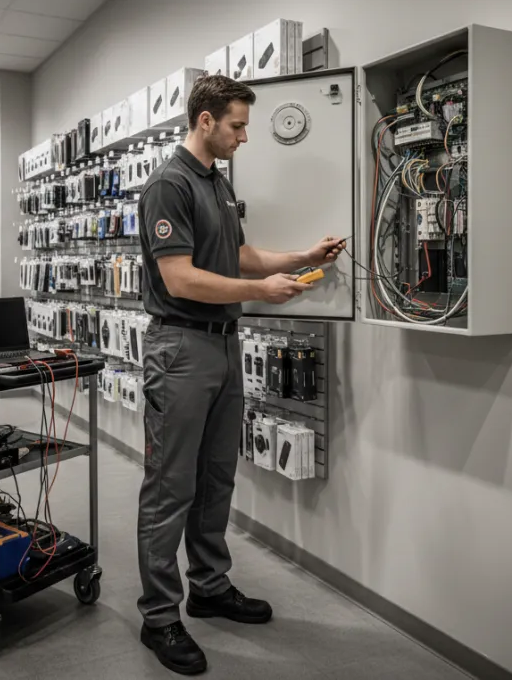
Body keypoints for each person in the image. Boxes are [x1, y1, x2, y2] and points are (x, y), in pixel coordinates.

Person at [136, 74, 345, 675]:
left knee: (216, 477)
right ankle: (159, 616)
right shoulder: (169, 185)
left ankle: (208, 586)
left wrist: (303, 257)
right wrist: (260, 292)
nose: (244, 137)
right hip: (180, 348)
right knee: (169, 486)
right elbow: (180, 279)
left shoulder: (217, 187)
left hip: (224, 347)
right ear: (205, 121)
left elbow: (239, 254)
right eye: (237, 125)